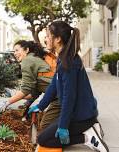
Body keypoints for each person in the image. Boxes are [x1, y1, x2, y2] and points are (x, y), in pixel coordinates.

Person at [28, 21, 109, 151]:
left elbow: (69, 96)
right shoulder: (63, 58)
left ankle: (88, 138)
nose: (46, 39)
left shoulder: (68, 62)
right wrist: (41, 105)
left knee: (43, 139)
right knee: (46, 133)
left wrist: (63, 126)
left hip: (82, 116)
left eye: (48, 36)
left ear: (58, 39)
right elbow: (54, 84)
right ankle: (89, 132)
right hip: (78, 113)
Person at [0, 40, 61, 130]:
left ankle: (74, 139)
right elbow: (33, 93)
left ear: (26, 50)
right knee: (51, 126)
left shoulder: (27, 60)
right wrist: (15, 95)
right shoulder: (35, 58)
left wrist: (7, 102)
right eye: (14, 51)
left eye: (17, 50)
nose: (15, 53)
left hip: (59, 97)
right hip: (60, 95)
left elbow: (26, 89)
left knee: (46, 126)